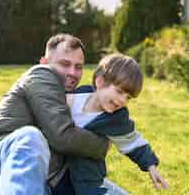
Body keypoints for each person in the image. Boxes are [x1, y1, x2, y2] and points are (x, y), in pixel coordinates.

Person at [0, 33, 110, 195]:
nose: (72, 72)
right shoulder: (41, 74)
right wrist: (103, 145)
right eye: (65, 64)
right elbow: (63, 136)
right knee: (29, 137)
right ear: (44, 62)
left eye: (78, 67)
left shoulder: (73, 99)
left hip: (38, 185)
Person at [66, 53, 169, 195]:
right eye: (119, 91)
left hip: (88, 182)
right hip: (59, 173)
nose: (122, 101)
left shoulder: (116, 118)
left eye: (128, 97)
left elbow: (132, 142)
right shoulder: (76, 96)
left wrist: (151, 166)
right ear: (100, 82)